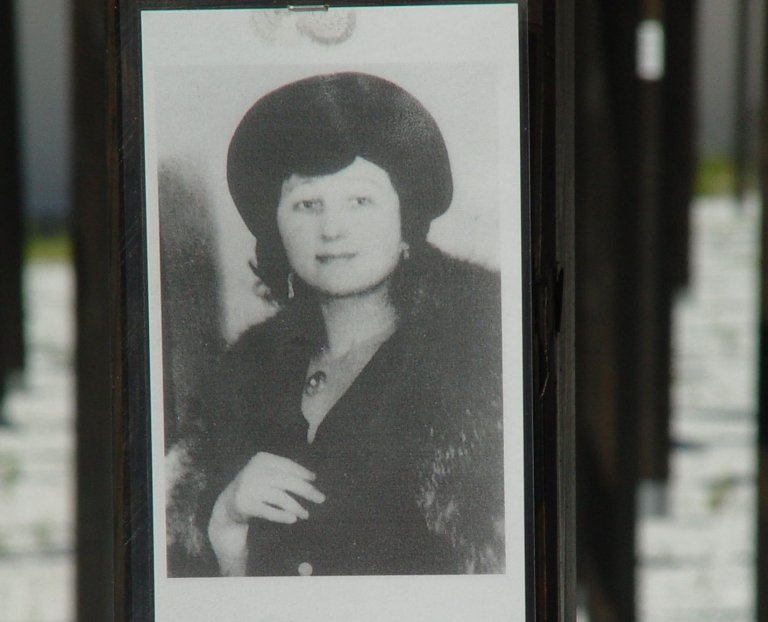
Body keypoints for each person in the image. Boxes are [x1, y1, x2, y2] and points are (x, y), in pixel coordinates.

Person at [166, 72, 505, 577]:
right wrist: (226, 529)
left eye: (360, 200)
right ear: (275, 226)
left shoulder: (484, 349)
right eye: (306, 204)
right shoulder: (244, 374)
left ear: (405, 215)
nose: (332, 228)